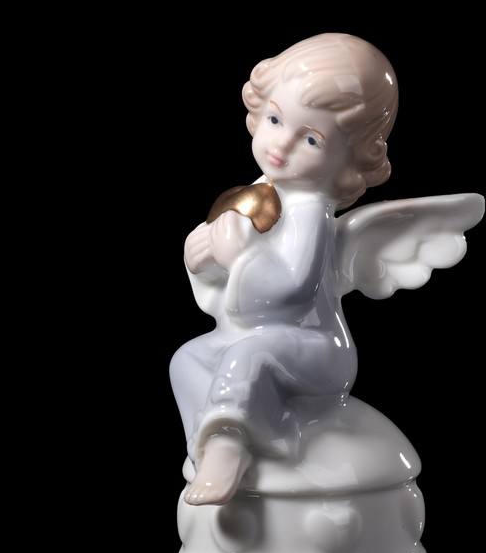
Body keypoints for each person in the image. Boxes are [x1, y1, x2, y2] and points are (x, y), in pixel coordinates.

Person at [170, 33, 399, 505]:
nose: (282, 144)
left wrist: (236, 258)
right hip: (257, 337)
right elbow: (228, 291)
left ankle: (231, 444)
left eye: (311, 139)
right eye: (275, 119)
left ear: (349, 157)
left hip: (316, 351)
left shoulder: (312, 212)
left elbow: (293, 289)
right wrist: (204, 261)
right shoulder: (262, 191)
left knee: (250, 355)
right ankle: (209, 441)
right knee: (187, 359)